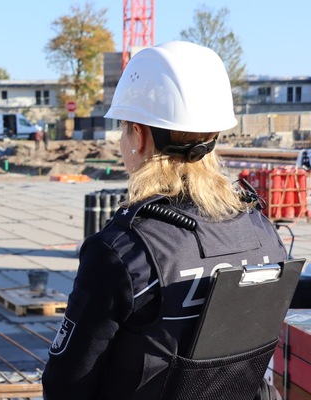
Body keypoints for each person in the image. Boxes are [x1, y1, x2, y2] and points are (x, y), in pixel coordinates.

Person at [42, 41, 287, 400]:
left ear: (138, 136)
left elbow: (65, 385)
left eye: (125, 128)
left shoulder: (122, 252)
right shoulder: (261, 232)